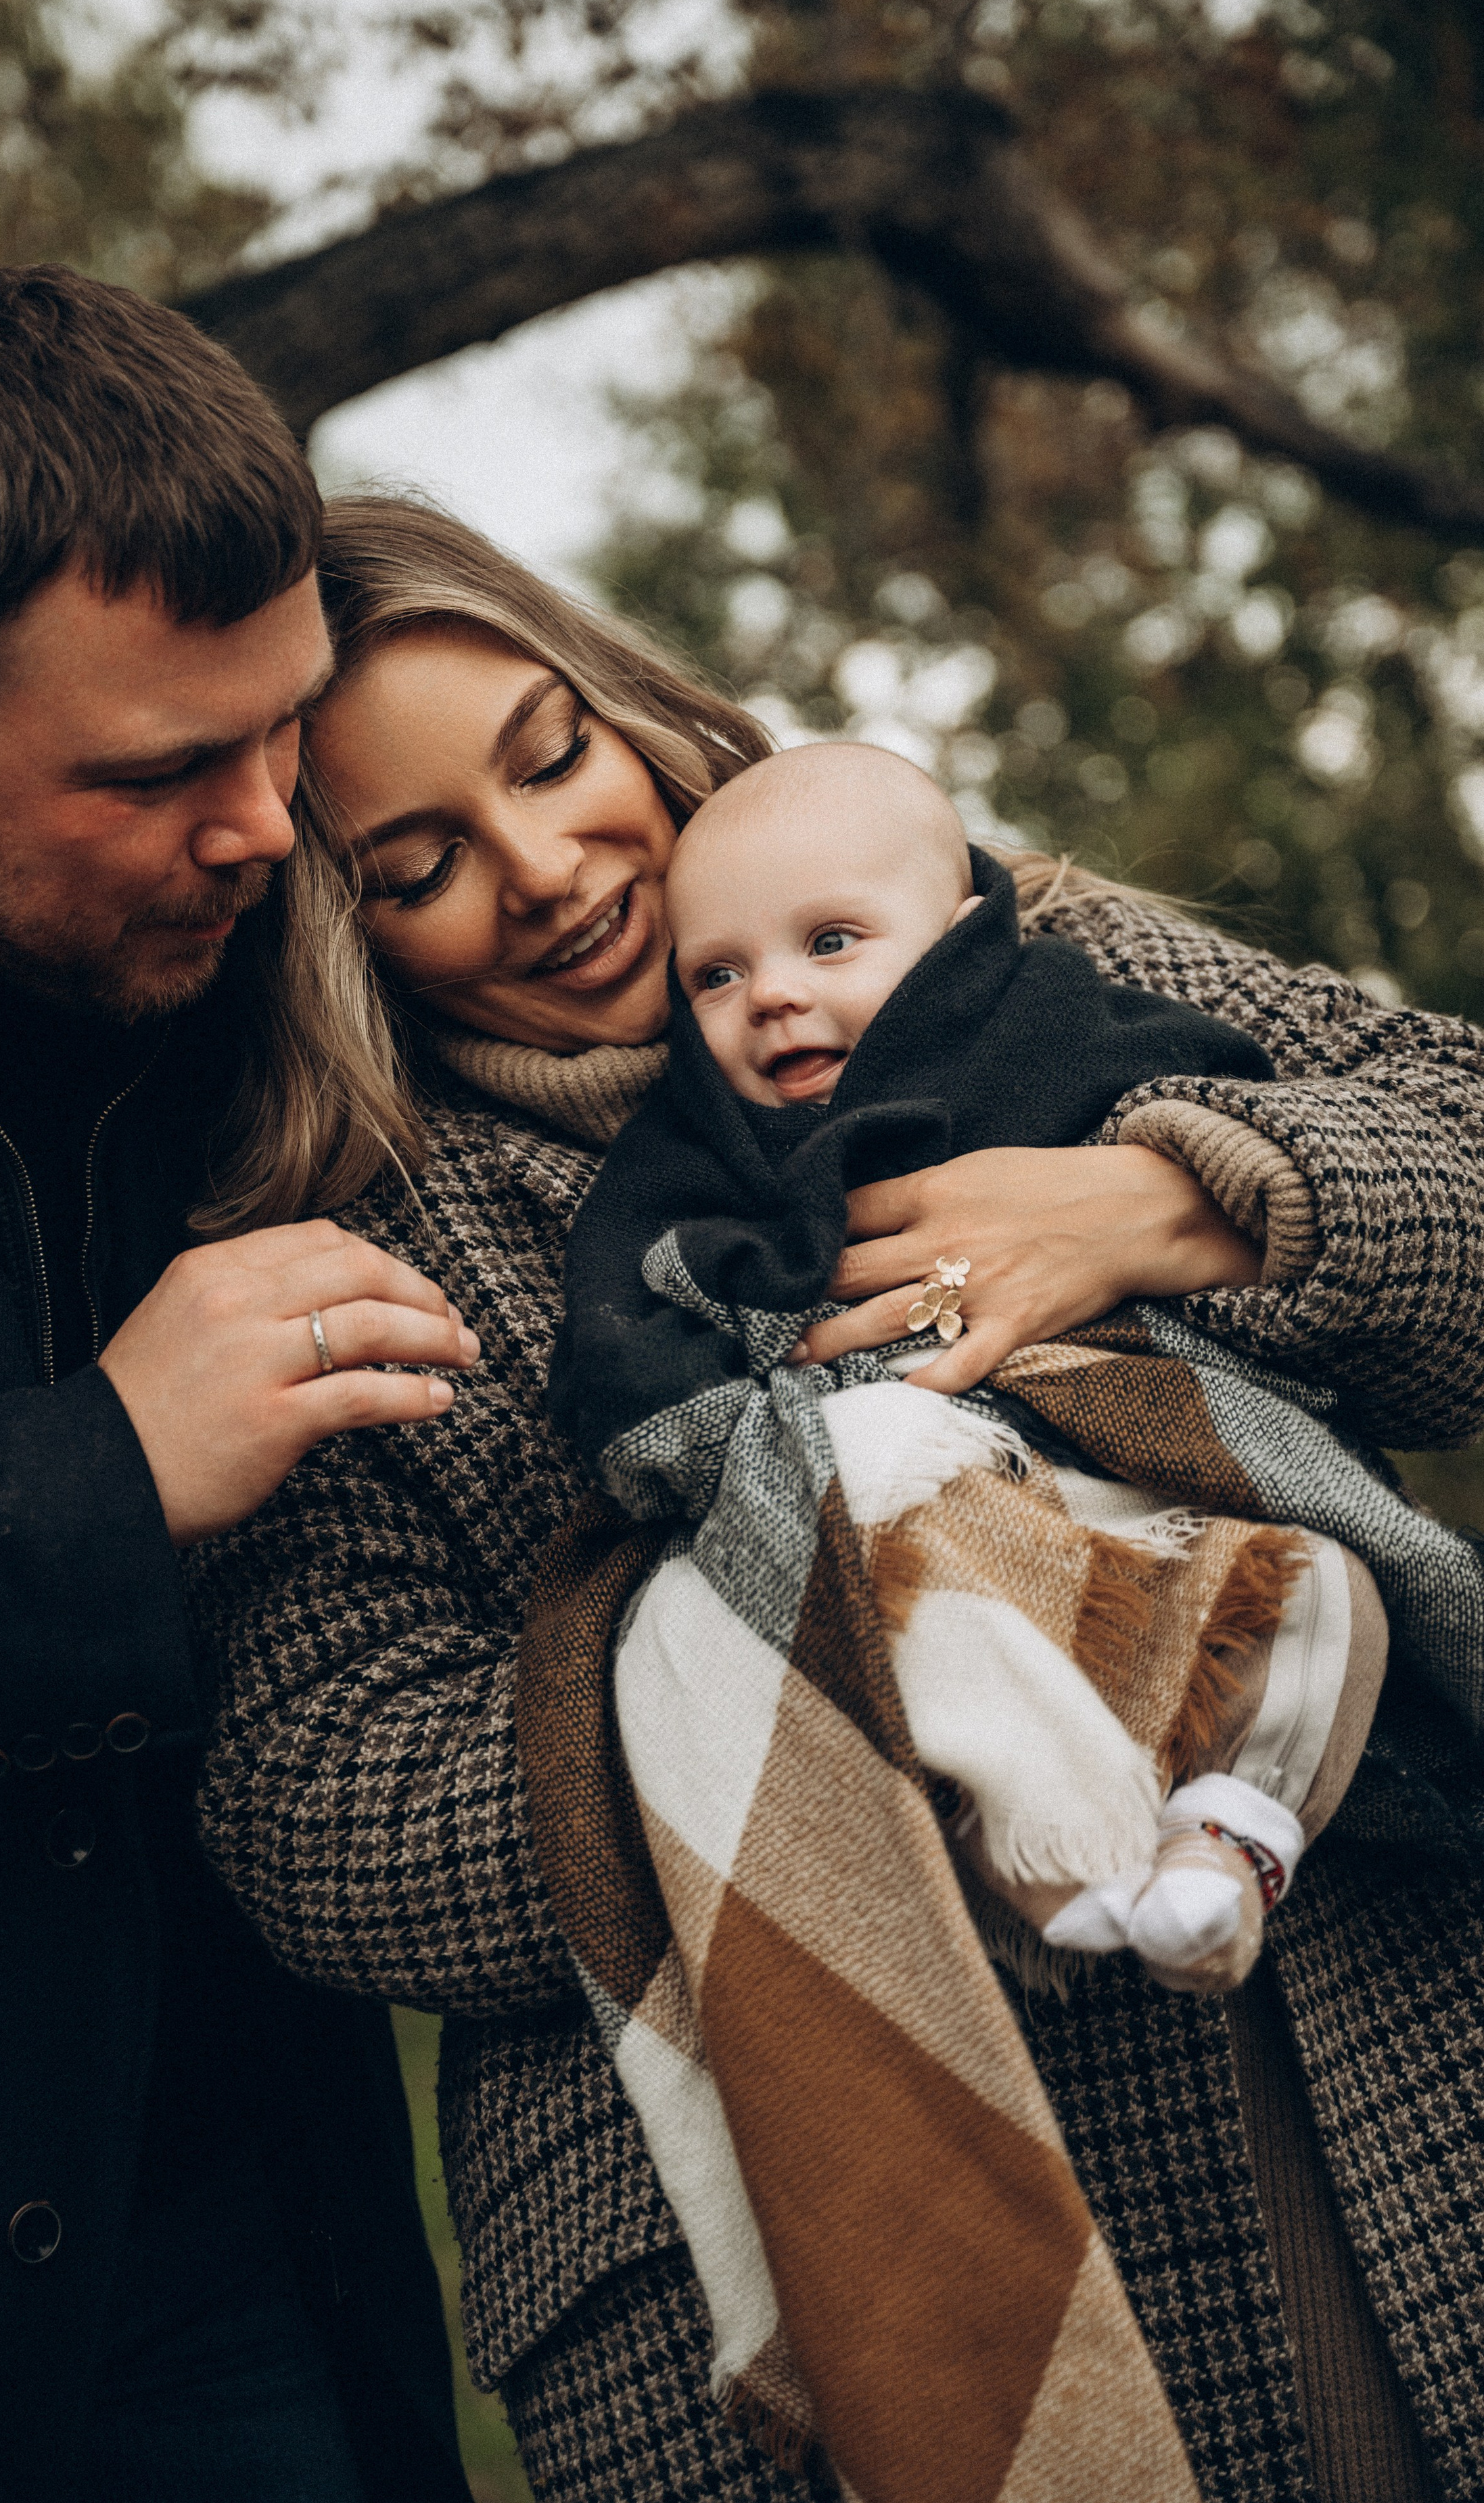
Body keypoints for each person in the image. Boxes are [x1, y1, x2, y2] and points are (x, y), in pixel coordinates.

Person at [193, 493, 1484, 2503]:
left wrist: (1181, 1200)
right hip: (804, 2220)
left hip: (1337, 2071)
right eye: (421, 865)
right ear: (332, 927)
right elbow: (314, 1808)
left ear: (621, 705)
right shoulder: (348, 1245)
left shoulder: (1011, 951)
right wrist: (801, 1644)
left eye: (551, 757)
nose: (546, 874)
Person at [0, 275, 482, 2503]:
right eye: (166, 766)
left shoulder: (268, 895)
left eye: (289, 727)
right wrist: (104, 1472)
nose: (276, 828)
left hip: (247, 2228)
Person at [547, 739, 1401, 1992]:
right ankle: (1063, 1847)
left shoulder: (1050, 1015)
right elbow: (624, 1321)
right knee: (937, 1612)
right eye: (717, 974)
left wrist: (1162, 1188)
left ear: (953, 932)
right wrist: (709, 1433)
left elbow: (1225, 1095)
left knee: (1310, 1592)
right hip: (945, 1491)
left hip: (1144, 1439)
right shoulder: (699, 1144)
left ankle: (1229, 1841)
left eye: (829, 943)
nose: (772, 996)